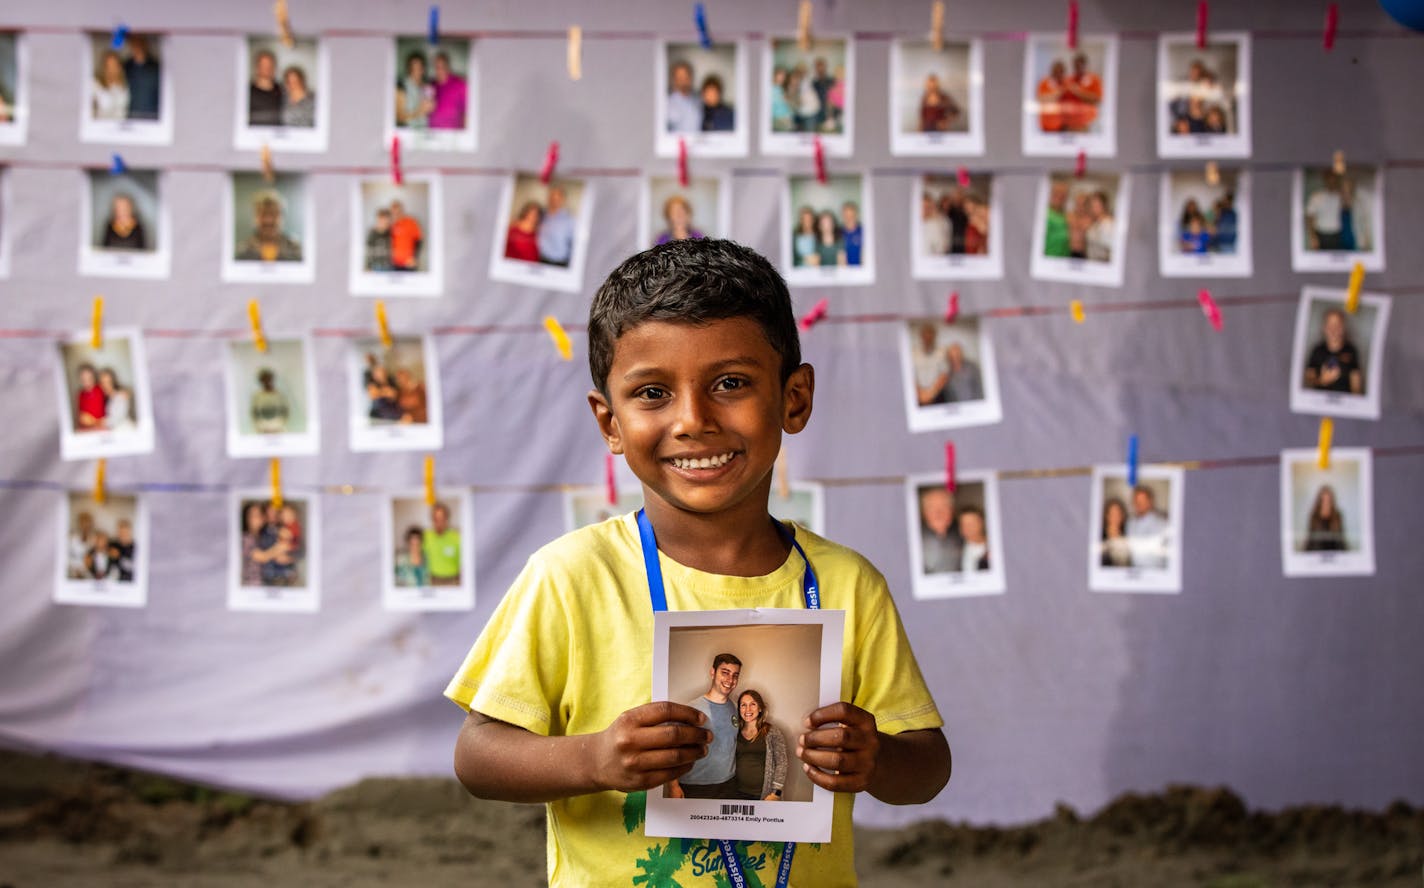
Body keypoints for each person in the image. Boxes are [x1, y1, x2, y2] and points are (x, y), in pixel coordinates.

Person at [445, 237, 950, 884]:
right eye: (653, 393)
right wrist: (594, 759)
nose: (693, 420)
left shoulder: (848, 584)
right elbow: (478, 756)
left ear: (794, 398)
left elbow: (929, 765)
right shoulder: (570, 577)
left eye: (731, 383)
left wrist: (875, 758)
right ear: (610, 422)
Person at [666, 653, 742, 799]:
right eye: (725, 673)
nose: (730, 680)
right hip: (695, 786)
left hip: (728, 784)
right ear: (712, 672)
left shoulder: (734, 708)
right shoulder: (691, 709)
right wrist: (674, 786)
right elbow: (673, 749)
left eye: (735, 675)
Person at [732, 690, 788, 802]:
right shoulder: (734, 732)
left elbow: (782, 763)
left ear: (760, 708)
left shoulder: (772, 732)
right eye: (743, 705)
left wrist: (776, 793)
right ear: (739, 709)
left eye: (753, 704)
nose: (748, 709)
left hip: (764, 796)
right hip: (736, 793)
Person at [1303, 307, 1363, 395]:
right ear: (1324, 328)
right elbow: (1309, 380)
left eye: (1337, 325)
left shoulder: (1351, 350)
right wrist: (1322, 381)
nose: (1334, 329)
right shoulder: (1317, 350)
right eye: (1330, 325)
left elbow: (1356, 384)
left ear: (1343, 328)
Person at [236, 189, 302, 262]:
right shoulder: (243, 249)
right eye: (263, 214)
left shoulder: (294, 248)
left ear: (282, 217)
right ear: (255, 217)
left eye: (273, 214)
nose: (268, 220)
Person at [919, 486, 963, 574]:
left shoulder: (965, 534)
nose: (938, 513)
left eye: (944, 506)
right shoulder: (915, 539)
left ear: (952, 511)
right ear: (924, 512)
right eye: (931, 507)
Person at [1126, 486, 1169, 569]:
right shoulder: (1130, 523)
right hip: (1134, 573)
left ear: (1150, 502)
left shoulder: (1162, 524)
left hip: (1156, 573)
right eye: (1136, 501)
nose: (1139, 504)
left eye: (1142, 500)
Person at [1060, 52, 1103, 133]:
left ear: (1085, 65)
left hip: (1088, 123)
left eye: (1079, 66)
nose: (1077, 69)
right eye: (1075, 66)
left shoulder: (1094, 79)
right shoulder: (1068, 80)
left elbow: (1097, 99)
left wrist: (1078, 92)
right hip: (1070, 124)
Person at [1305, 170, 1346, 251]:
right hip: (1321, 235)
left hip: (1337, 235)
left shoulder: (1339, 197)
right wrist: (1313, 237)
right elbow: (1310, 218)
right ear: (1325, 180)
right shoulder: (1316, 197)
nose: (1332, 182)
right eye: (1330, 179)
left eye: (1334, 180)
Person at [122, 35, 160, 121]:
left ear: (145, 44)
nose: (137, 47)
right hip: (130, 118)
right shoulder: (126, 67)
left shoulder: (156, 68)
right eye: (134, 44)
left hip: (152, 118)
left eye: (139, 43)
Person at [424, 502, 462, 586]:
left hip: (453, 581)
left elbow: (463, 561)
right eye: (436, 519)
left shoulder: (456, 537)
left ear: (447, 519)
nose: (439, 522)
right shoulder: (426, 537)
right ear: (432, 520)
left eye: (441, 519)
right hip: (433, 581)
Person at [912, 323, 949, 406]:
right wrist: (920, 395)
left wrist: (931, 394)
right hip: (917, 395)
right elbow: (910, 376)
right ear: (921, 337)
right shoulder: (913, 353)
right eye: (925, 336)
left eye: (930, 335)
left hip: (937, 395)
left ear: (934, 336)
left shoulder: (941, 352)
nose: (927, 339)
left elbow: (944, 375)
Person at [428, 51, 467, 129]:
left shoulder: (460, 84)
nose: (440, 71)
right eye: (437, 67)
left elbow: (467, 113)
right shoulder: (431, 85)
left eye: (442, 67)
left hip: (453, 134)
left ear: (448, 67)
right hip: (433, 133)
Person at [537, 186, 575, 266]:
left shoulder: (569, 220)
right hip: (540, 261)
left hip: (560, 263)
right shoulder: (541, 215)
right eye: (552, 198)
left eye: (557, 199)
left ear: (562, 200)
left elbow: (574, 244)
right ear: (548, 199)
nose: (554, 201)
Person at [1303, 485, 1347, 551]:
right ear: (1320, 500)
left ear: (1332, 500)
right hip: (1317, 551)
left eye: (1328, 499)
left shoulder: (1337, 515)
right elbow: (1310, 538)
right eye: (1323, 499)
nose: (1326, 502)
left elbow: (1341, 538)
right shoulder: (1314, 516)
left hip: (1334, 552)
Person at [396, 51, 432, 129]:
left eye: (420, 68)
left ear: (423, 70)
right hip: (408, 133)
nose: (417, 71)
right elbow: (399, 118)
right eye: (414, 68)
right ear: (409, 69)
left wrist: (432, 106)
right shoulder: (401, 86)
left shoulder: (426, 87)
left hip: (424, 132)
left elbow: (429, 110)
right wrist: (419, 112)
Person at [248, 49, 283, 126]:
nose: (267, 68)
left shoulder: (282, 91)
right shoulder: (247, 92)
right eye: (264, 65)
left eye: (270, 65)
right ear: (257, 67)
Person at [250, 368, 290, 434]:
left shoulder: (280, 396)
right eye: (264, 380)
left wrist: (279, 426)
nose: (266, 382)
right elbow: (254, 414)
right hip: (262, 431)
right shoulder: (257, 396)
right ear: (261, 381)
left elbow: (285, 412)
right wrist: (260, 428)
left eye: (268, 379)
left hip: (278, 430)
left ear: (272, 379)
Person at [92, 49, 129, 120]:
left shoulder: (125, 85)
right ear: (104, 67)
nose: (112, 69)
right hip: (101, 127)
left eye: (114, 65)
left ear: (119, 67)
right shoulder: (96, 85)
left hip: (121, 128)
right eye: (109, 66)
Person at [666, 60, 701, 133]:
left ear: (691, 78)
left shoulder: (698, 100)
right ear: (674, 79)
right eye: (680, 77)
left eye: (686, 77)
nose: (683, 81)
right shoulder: (667, 103)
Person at [389, 200, 423, 271]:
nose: (396, 214)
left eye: (398, 212)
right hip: (394, 264)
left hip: (409, 262)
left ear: (402, 211)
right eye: (394, 213)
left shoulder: (411, 222)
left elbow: (419, 241)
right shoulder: (391, 225)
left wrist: (415, 258)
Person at [1035, 59, 1067, 132]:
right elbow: (1041, 99)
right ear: (1053, 71)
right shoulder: (1045, 83)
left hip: (1063, 126)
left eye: (1061, 71)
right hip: (1047, 126)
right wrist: (1058, 93)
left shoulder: (1066, 83)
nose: (1059, 74)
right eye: (1057, 71)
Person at [1099, 497, 1132, 567]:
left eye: (1118, 513)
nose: (1115, 517)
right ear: (1106, 515)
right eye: (1112, 513)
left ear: (1122, 516)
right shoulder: (1098, 537)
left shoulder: (1128, 538)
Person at [1084, 190, 1115, 263]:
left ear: (1104, 206)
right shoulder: (1095, 223)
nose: (1093, 209)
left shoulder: (1107, 224)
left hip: (1102, 265)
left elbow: (1109, 249)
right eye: (1092, 205)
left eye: (1096, 206)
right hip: (1092, 263)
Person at [957, 505, 990, 572]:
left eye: (971, 524)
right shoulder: (957, 549)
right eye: (963, 524)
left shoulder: (995, 547)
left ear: (981, 523)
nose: (967, 528)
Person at [1043, 180, 1071, 258]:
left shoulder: (1064, 215)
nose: (1060, 197)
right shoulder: (1045, 214)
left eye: (1063, 195)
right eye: (1056, 194)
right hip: (1049, 260)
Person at [75, 364, 106, 431]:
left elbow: (114, 391)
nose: (87, 383)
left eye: (89, 378)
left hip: (100, 427)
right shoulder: (80, 394)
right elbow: (81, 415)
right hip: (86, 428)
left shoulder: (101, 389)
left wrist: (93, 421)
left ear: (94, 377)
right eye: (84, 380)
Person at [68, 511, 96, 579]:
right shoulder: (72, 538)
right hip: (73, 574)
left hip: (90, 576)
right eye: (83, 523)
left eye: (88, 523)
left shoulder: (94, 539)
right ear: (79, 524)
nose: (85, 526)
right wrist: (77, 569)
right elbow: (67, 558)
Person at [769, 67, 793, 131]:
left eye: (784, 76)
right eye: (781, 76)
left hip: (785, 118)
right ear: (775, 75)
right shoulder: (770, 88)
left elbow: (783, 101)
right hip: (779, 120)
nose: (783, 78)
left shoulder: (779, 87)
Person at [840, 202, 863, 267]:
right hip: (844, 272)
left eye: (851, 215)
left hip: (861, 271)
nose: (849, 218)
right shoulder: (838, 233)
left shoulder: (864, 232)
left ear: (856, 215)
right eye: (846, 215)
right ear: (842, 216)